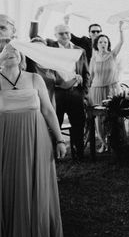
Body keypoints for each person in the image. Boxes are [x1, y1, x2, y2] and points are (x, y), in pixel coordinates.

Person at [0, 44, 67, 237]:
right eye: (5, 50)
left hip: (36, 138)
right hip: (5, 140)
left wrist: (59, 139)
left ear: (21, 57)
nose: (10, 52)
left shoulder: (33, 79)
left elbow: (48, 110)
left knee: (35, 185)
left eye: (14, 51)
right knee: (8, 186)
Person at [29, 21, 90, 160]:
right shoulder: (50, 47)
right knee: (55, 122)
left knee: (78, 123)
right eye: (61, 33)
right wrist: (37, 18)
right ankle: (55, 154)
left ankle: (79, 153)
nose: (65, 35)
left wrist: (84, 92)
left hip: (76, 92)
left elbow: (86, 73)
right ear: (55, 35)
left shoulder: (79, 50)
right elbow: (34, 38)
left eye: (67, 32)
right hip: (57, 92)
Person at [88, 21, 125, 152]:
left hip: (112, 89)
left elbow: (121, 43)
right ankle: (103, 142)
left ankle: (117, 141)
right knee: (100, 117)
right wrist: (88, 92)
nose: (103, 44)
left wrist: (120, 30)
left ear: (108, 44)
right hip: (97, 89)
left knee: (115, 116)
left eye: (105, 42)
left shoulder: (112, 55)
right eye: (100, 42)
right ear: (96, 45)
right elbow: (91, 76)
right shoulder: (93, 58)